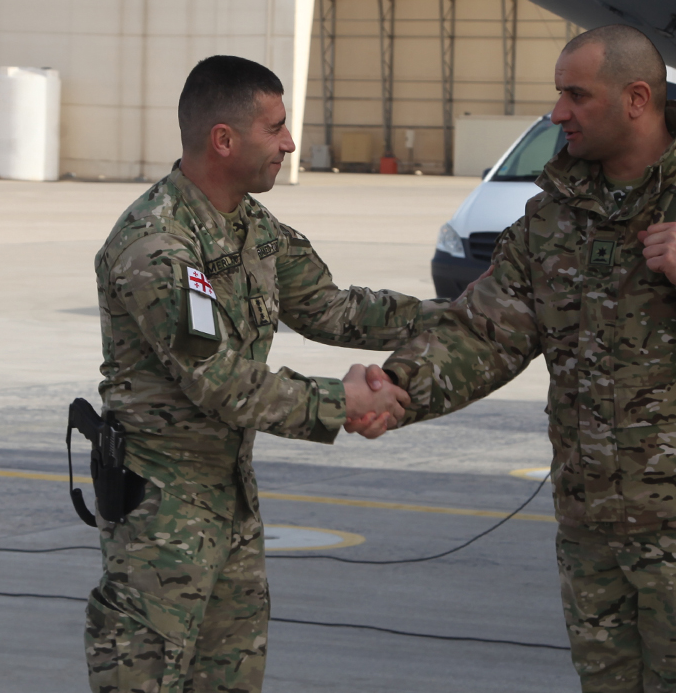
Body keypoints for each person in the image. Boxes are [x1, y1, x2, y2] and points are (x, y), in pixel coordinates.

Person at [379, 26, 676, 692]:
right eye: (559, 94)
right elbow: (484, 332)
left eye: (577, 95)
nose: (557, 112)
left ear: (636, 99)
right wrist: (396, 387)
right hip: (589, 520)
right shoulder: (553, 218)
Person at [85, 55, 436, 693]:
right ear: (224, 139)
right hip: (161, 511)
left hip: (232, 500)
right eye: (275, 128)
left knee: (232, 679)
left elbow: (332, 308)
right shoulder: (155, 243)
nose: (289, 143)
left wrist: (457, 316)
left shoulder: (253, 226)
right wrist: (344, 402)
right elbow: (220, 381)